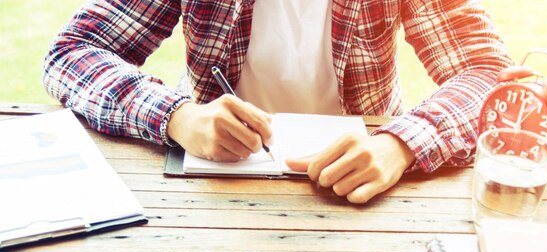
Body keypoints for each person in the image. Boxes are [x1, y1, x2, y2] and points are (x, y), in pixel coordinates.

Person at [44, 0, 512, 204]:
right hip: (221, 187)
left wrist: (400, 144)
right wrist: (179, 116)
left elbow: (490, 73)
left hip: (364, 186)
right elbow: (72, 52)